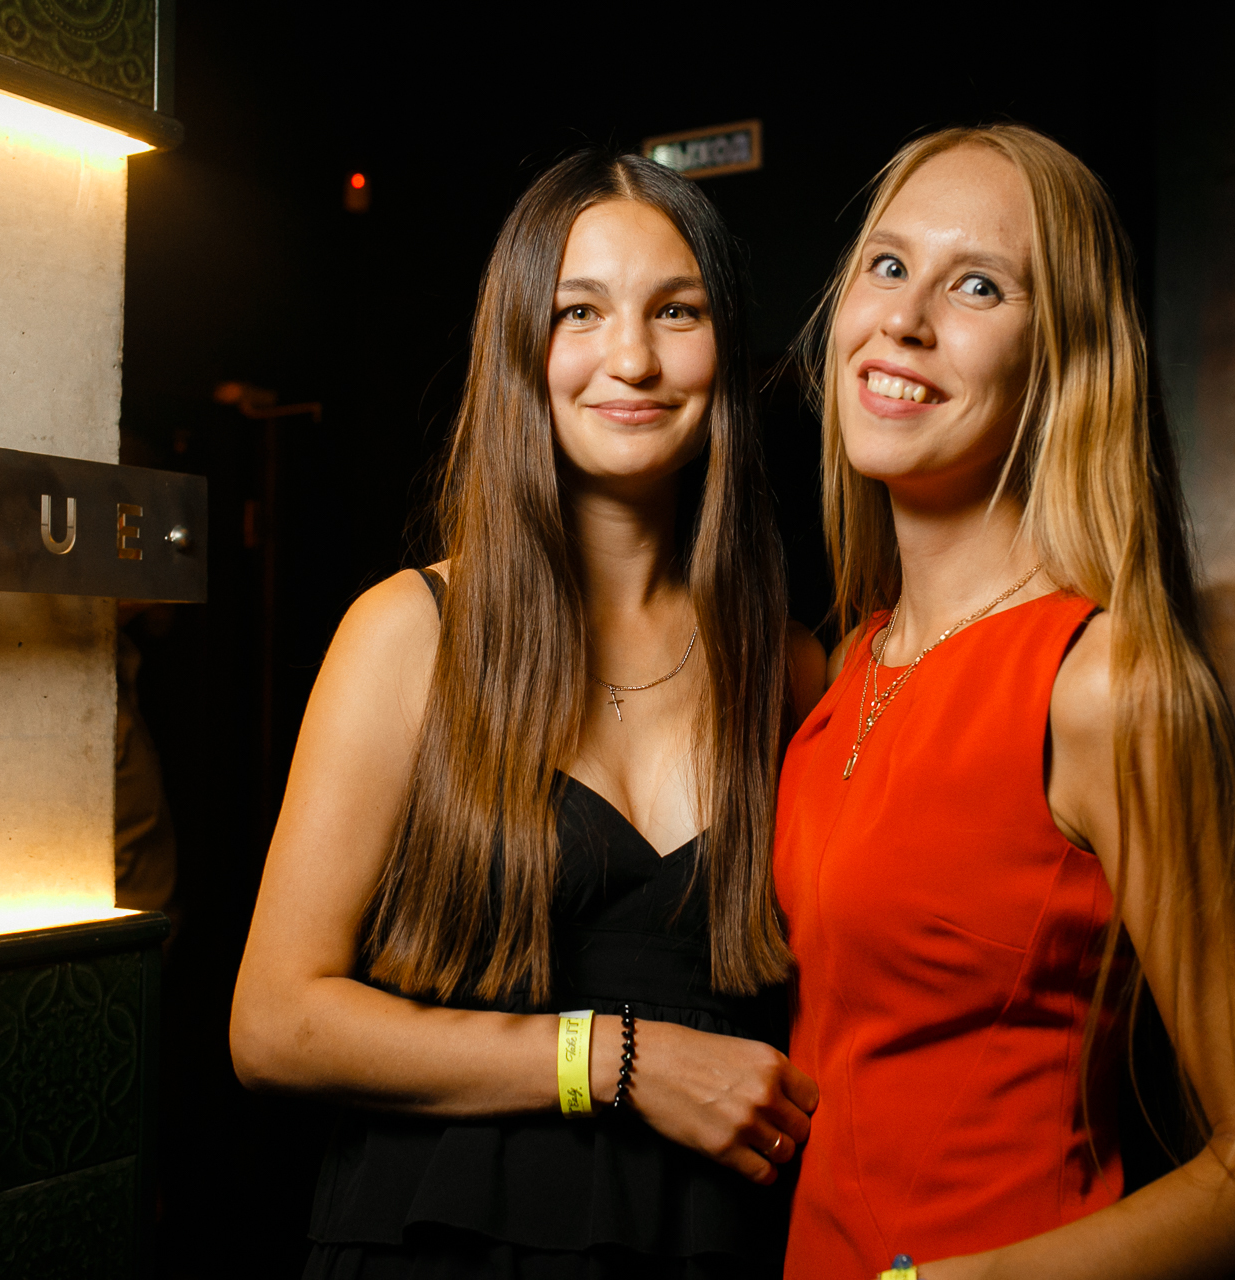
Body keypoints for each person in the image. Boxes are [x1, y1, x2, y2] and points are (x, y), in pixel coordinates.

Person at [231, 149, 823, 1280]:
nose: (633, 358)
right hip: (442, 1240)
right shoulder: (412, 634)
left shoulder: (788, 668)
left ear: (725, 346)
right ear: (519, 347)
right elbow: (272, 1024)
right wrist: (616, 1061)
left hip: (705, 1240)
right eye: (578, 312)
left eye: (677, 310)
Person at [773, 125, 1235, 1280]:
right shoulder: (850, 668)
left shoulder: (1107, 683)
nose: (905, 317)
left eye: (977, 285)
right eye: (888, 264)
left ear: (1063, 357)